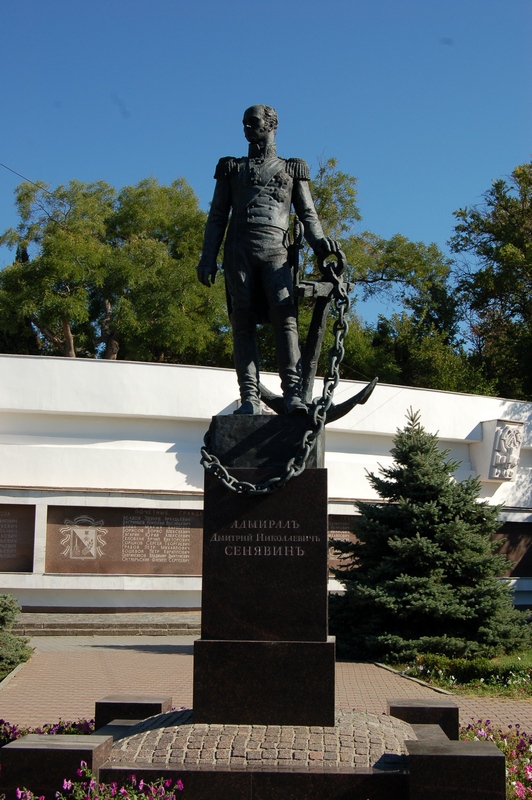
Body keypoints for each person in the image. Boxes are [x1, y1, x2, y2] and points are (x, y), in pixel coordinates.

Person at [197, 104, 339, 415]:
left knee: (286, 320)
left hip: (277, 251)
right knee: (242, 323)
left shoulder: (292, 168)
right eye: (244, 123)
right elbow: (217, 216)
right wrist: (208, 257)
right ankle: (249, 397)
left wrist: (321, 244)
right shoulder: (231, 168)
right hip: (239, 251)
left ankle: (293, 395)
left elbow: (308, 214)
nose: (247, 127)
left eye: (253, 121)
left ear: (271, 124)